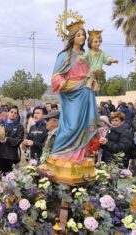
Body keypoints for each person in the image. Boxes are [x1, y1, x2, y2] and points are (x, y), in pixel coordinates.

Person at [51, 20, 98, 163]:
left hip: (86, 92)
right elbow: (55, 75)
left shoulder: (87, 54)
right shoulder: (64, 55)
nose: (82, 37)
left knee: (83, 124)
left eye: (83, 35)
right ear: (72, 37)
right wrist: (62, 82)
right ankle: (59, 153)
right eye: (79, 35)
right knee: (71, 125)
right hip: (71, 93)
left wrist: (94, 79)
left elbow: (92, 72)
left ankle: (79, 156)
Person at [0, 106, 24, 175]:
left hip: (13, 156)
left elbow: (18, 140)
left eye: (15, 113)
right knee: (2, 175)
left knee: (12, 178)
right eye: (11, 112)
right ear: (7, 113)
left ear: (17, 115)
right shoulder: (0, 124)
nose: (13, 114)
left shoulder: (19, 126)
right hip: (0, 155)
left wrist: (6, 139)